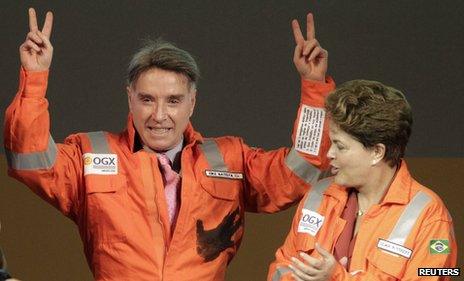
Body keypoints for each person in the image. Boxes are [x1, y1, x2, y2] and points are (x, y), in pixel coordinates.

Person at [4, 8, 335, 280]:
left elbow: (298, 172)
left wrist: (315, 86)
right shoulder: (90, 155)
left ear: (192, 103)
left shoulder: (229, 159)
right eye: (147, 99)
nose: (159, 115)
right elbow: (28, 157)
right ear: (130, 99)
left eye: (173, 101)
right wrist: (34, 78)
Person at [268, 80, 458, 280]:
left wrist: (337, 278)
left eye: (340, 146)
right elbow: (281, 268)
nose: (330, 153)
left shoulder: (431, 216)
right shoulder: (317, 196)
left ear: (377, 152)